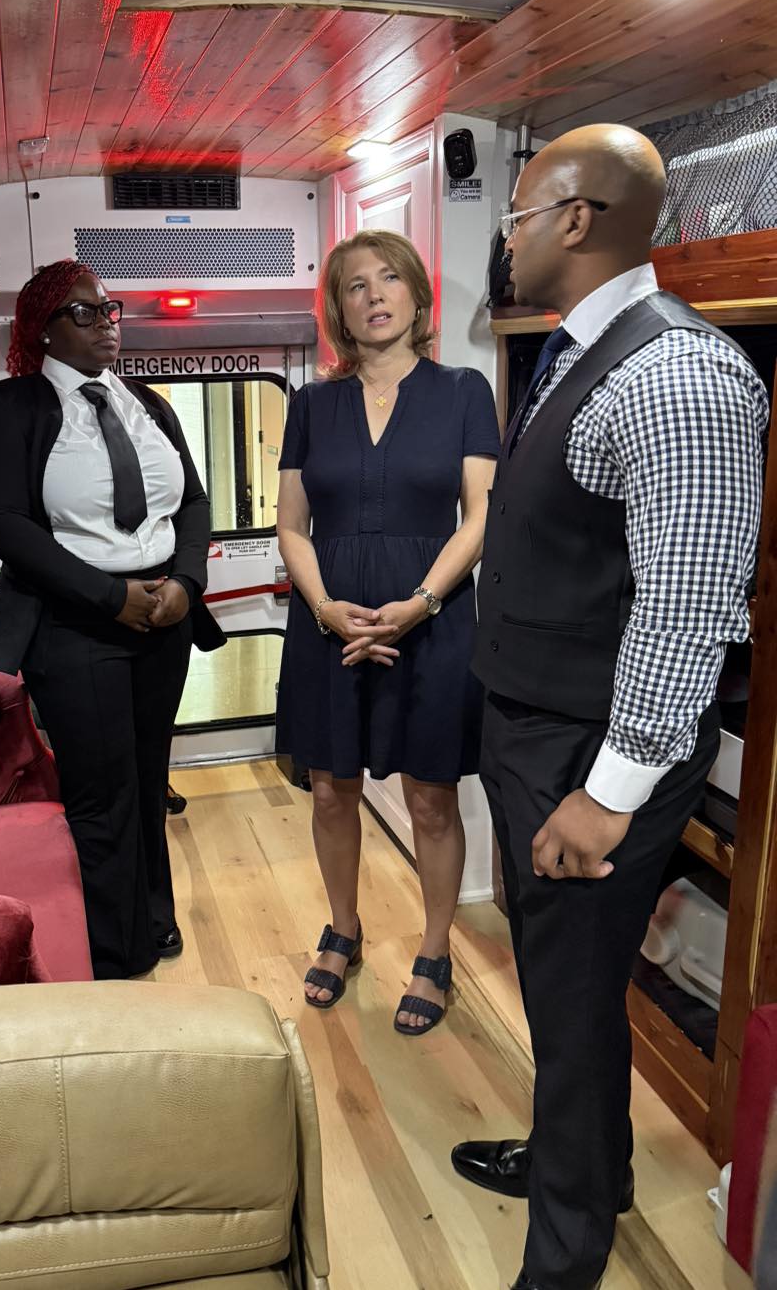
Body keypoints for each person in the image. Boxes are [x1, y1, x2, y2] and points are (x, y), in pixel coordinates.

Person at [452, 125, 768, 1290]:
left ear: (576, 221)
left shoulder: (677, 374)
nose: (508, 238)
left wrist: (608, 793)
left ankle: (565, 1258)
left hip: (593, 756)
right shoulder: (581, 349)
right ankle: (590, 1170)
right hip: (543, 730)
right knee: (560, 993)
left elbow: (687, 615)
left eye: (517, 216)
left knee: (579, 1008)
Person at [0, 259, 219, 980]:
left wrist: (187, 582)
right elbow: (4, 524)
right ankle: (114, 950)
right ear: (43, 329)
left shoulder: (148, 403)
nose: (107, 322)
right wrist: (112, 598)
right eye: (85, 312)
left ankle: (154, 915)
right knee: (101, 793)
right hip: (76, 626)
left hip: (163, 619)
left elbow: (193, 503)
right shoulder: (12, 406)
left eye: (110, 309)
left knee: (146, 778)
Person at [275, 228, 499, 1033]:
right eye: (354, 286)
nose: (373, 295)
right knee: (332, 788)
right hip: (327, 624)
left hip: (432, 625)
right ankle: (344, 927)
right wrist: (329, 607)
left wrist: (422, 602)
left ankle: (435, 949)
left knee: (430, 798)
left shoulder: (465, 390)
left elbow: (479, 518)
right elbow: (292, 526)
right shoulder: (309, 405)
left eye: (388, 279)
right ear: (337, 309)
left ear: (415, 293)